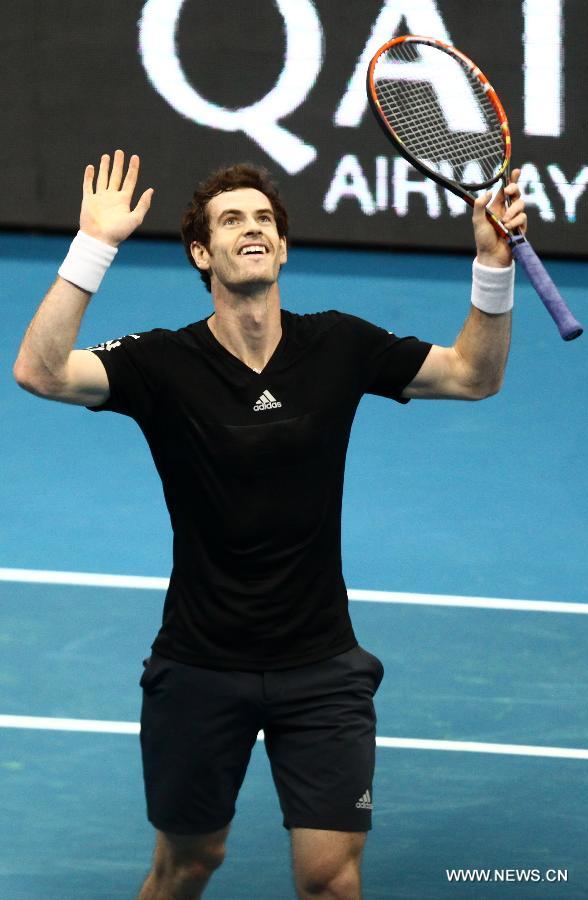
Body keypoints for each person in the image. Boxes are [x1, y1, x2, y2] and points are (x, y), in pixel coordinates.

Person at [13, 150, 526, 900]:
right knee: (187, 864)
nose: (251, 228)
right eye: (231, 220)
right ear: (202, 253)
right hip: (198, 665)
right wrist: (96, 247)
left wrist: (491, 267)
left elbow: (473, 376)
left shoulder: (338, 344)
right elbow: (40, 370)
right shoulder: (162, 363)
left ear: (281, 247)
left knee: (330, 880)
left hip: (321, 667)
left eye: (263, 220)